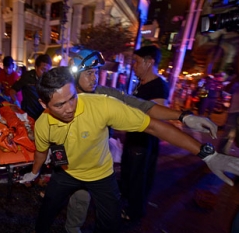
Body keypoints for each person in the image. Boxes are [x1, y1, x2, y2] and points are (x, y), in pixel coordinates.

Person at [20, 66, 239, 233]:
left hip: (101, 175)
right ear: (43, 104)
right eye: (59, 105)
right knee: (46, 212)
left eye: (72, 98)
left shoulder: (103, 105)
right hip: (66, 173)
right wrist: (35, 171)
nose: (70, 108)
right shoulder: (42, 124)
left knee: (111, 224)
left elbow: (153, 125)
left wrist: (207, 153)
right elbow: (41, 150)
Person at [64, 47, 218, 233]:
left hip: (101, 168)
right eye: (89, 73)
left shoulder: (104, 94)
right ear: (75, 73)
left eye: (96, 72)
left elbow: (144, 108)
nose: (94, 78)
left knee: (108, 214)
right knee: (78, 206)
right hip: (75, 166)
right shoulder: (64, 97)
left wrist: (184, 116)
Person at [120, 45, 169, 222]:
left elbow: (156, 117)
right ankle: (127, 203)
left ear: (149, 63)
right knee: (128, 173)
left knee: (138, 177)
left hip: (144, 140)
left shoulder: (158, 87)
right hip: (133, 138)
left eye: (137, 61)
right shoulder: (141, 84)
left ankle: (135, 212)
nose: (134, 65)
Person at [9, 54, 52, 120]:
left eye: (47, 71)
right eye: (43, 70)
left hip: (43, 115)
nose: (45, 73)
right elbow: (12, 91)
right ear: (36, 67)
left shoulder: (50, 80)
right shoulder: (27, 77)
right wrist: (16, 102)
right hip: (28, 115)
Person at [218, 72, 239, 154]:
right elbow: (227, 89)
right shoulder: (236, 79)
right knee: (227, 135)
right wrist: (236, 78)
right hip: (234, 112)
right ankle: (221, 156)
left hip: (234, 112)